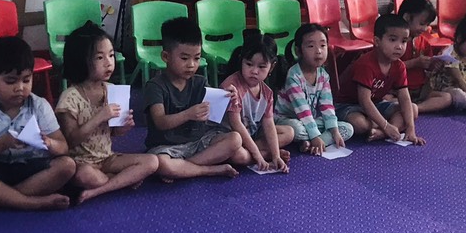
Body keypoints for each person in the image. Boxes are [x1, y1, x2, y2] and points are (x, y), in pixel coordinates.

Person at [0, 36, 77, 211]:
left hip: (32, 166)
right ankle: (31, 202)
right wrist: (2, 143)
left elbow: (63, 147)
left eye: (26, 80)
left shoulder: (39, 105)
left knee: (67, 166)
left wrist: (50, 143)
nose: (20, 88)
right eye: (10, 81)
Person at [55, 22, 159, 202]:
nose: (109, 63)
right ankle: (120, 180)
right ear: (81, 60)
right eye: (100, 57)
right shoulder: (70, 97)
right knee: (84, 176)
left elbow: (112, 133)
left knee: (152, 161)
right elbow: (70, 140)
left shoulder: (110, 89)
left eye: (111, 55)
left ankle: (97, 190)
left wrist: (123, 127)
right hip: (81, 163)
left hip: (107, 158)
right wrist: (99, 117)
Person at [140, 17, 243, 178]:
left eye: (197, 58)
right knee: (161, 162)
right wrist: (188, 114)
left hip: (198, 142)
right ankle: (208, 169)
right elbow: (160, 122)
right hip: (167, 148)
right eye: (184, 58)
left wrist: (228, 97)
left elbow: (214, 113)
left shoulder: (200, 82)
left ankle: (184, 168)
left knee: (235, 139)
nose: (191, 65)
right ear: (166, 56)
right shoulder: (155, 86)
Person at [336, 13, 425, 145]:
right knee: (360, 124)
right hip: (349, 106)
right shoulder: (366, 64)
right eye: (393, 40)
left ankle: (381, 132)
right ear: (377, 41)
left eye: (404, 41)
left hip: (377, 104)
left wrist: (411, 129)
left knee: (413, 108)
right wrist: (385, 125)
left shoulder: (399, 66)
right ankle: (386, 129)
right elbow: (364, 100)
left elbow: (404, 97)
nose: (399, 46)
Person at [276, 23, 354, 155]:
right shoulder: (294, 76)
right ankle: (315, 140)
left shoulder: (323, 75)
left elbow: (327, 106)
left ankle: (310, 143)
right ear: (298, 51)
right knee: (295, 129)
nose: (318, 51)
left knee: (347, 128)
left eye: (323, 45)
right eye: (311, 46)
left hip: (311, 120)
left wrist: (334, 130)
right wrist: (314, 135)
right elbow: (302, 111)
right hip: (287, 120)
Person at [221, 30, 292, 172]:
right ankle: (262, 154)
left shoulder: (267, 92)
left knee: (289, 132)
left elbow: (268, 123)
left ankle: (263, 152)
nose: (254, 71)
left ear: (272, 66)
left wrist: (276, 155)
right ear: (241, 61)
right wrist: (258, 156)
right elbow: (236, 124)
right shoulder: (232, 86)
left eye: (261, 67)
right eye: (249, 64)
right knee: (239, 155)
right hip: (230, 137)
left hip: (252, 135)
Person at [399, 0, 453, 114]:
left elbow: (429, 66)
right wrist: (414, 63)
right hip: (399, 92)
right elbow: (388, 67)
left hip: (420, 91)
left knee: (447, 98)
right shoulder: (395, 42)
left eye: (427, 25)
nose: (425, 29)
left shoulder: (423, 41)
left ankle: (416, 108)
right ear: (407, 17)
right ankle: (409, 108)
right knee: (388, 101)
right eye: (422, 24)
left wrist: (436, 64)